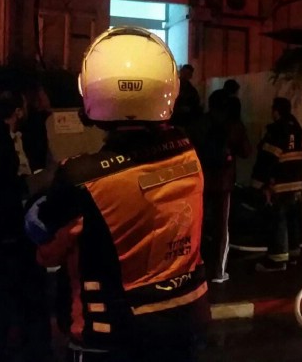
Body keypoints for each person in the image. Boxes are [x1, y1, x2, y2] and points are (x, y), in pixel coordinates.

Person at [24, 27, 210, 362]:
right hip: (187, 321)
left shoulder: (81, 177)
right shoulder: (187, 150)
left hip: (113, 337)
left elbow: (47, 252)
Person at [0, 90, 54, 362]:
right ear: (18, 111)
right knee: (26, 294)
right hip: (10, 228)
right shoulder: (5, 142)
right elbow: (10, 183)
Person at [191, 88, 251, 283]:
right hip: (224, 183)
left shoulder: (200, 123)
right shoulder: (233, 125)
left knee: (197, 225)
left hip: (201, 181)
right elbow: (246, 152)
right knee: (221, 227)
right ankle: (219, 272)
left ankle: (194, 269)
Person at [253, 97, 302, 272]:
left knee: (278, 221)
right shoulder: (298, 130)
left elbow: (267, 159)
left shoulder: (276, 131)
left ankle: (277, 260)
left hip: (279, 184)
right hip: (296, 183)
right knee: (293, 220)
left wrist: (260, 184)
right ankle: (293, 254)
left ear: (276, 111)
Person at [172, 63, 202, 130]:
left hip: (187, 120)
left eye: (188, 73)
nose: (185, 75)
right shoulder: (172, 86)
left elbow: (196, 104)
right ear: (181, 72)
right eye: (184, 72)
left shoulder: (192, 90)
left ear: (190, 76)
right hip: (174, 118)